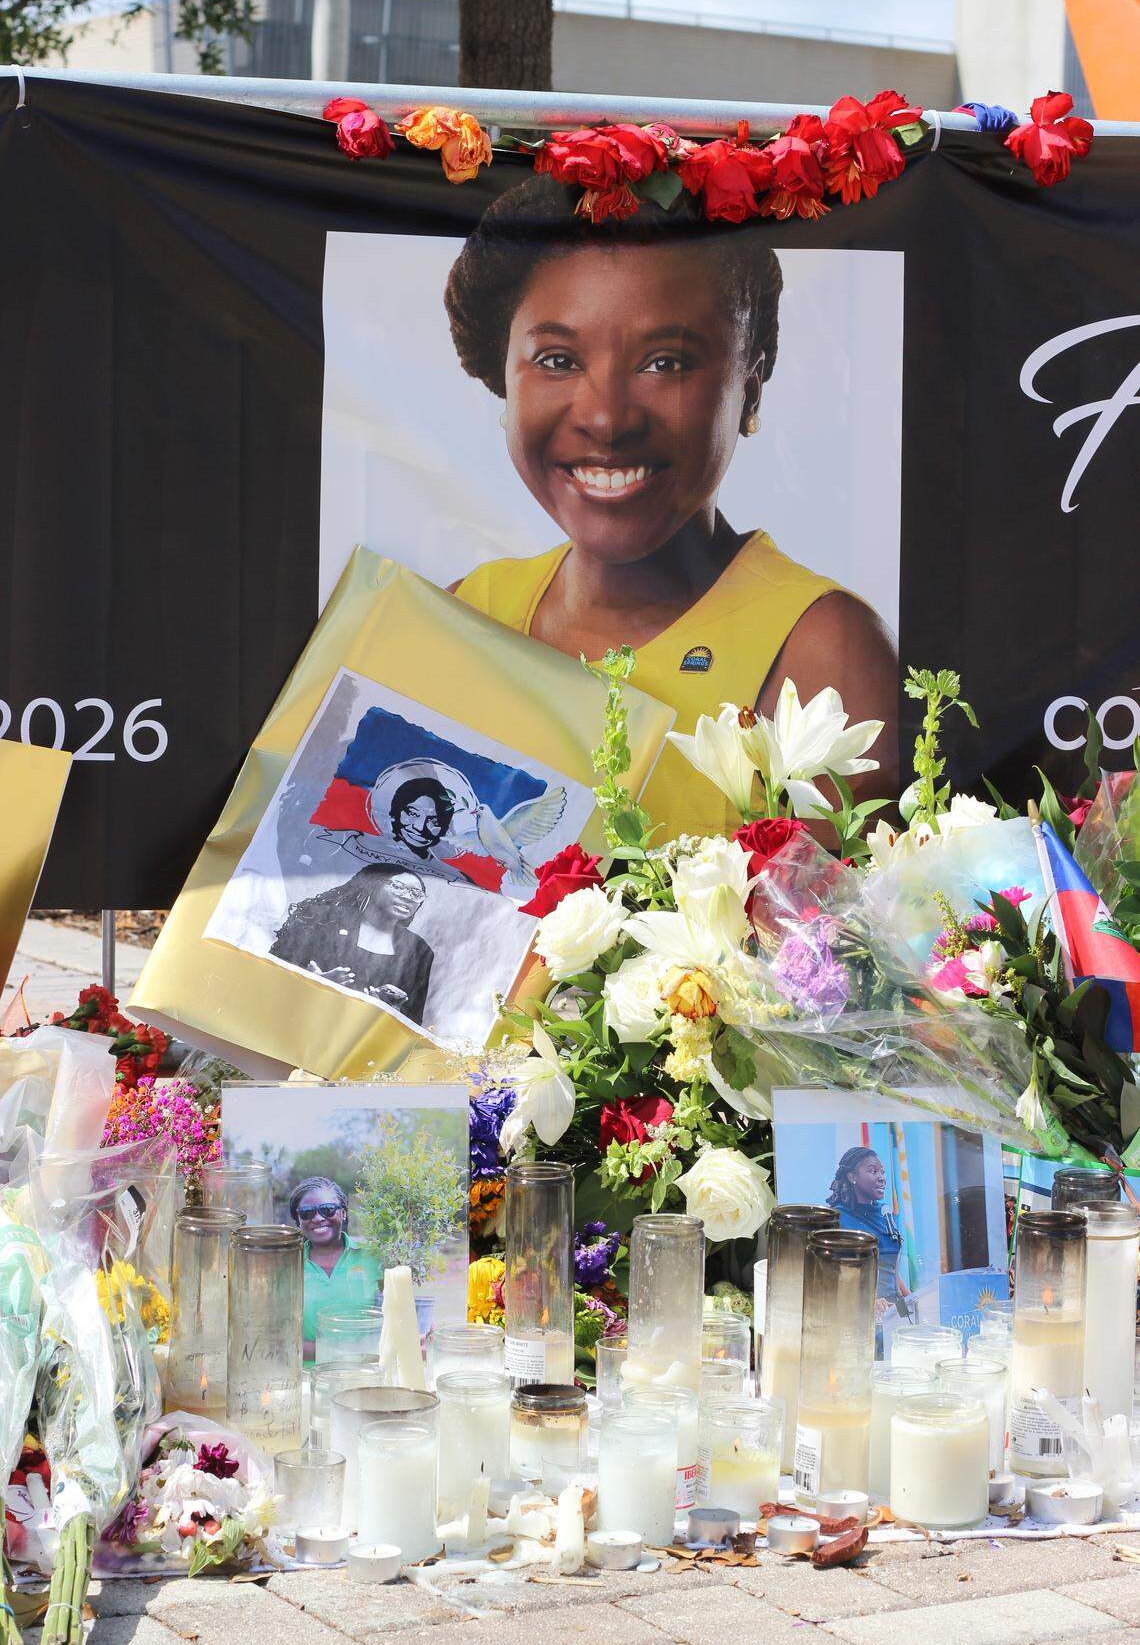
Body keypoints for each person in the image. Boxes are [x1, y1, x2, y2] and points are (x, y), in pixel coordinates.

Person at [444, 177, 898, 840]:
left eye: (664, 363)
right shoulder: (467, 615)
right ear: (501, 379)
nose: (606, 417)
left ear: (750, 385)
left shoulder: (825, 655)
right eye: (557, 359)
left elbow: (839, 940)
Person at [270, 862, 434, 1024]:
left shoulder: (419, 949)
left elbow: (413, 1018)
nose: (407, 897)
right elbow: (269, 973)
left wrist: (392, 1009)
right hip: (297, 1023)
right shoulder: (323, 921)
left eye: (416, 894)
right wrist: (313, 983)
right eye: (398, 887)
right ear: (372, 884)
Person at [288, 1175, 381, 1363]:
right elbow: (279, 1340)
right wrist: (341, 1354)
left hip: (368, 1375)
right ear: (298, 1220)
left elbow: (405, 1313)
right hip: (308, 1381)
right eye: (306, 1213)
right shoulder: (287, 1266)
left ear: (344, 1213)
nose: (318, 1218)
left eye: (328, 1210)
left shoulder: (373, 1258)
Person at [826, 1145, 909, 1318]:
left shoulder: (885, 1214)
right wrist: (870, 1300)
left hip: (892, 1315)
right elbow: (834, 1274)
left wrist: (910, 1297)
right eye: (873, 1171)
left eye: (883, 1172)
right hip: (856, 1315)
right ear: (852, 1177)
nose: (881, 1178)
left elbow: (890, 1268)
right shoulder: (837, 1219)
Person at [386, 776, 456, 862]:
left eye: (434, 822)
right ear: (396, 810)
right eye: (413, 813)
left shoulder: (448, 867)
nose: (419, 827)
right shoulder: (371, 842)